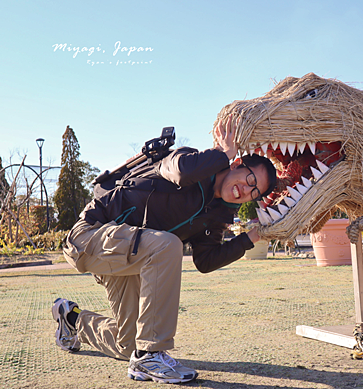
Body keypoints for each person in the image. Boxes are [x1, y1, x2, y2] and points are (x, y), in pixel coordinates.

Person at [51, 116, 277, 384]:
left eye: (255, 192)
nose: (246, 190)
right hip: (90, 235)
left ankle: (71, 318)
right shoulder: (189, 160)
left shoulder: (216, 215)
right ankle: (150, 355)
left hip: (130, 254)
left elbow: (205, 260)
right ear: (237, 164)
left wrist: (250, 238)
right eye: (249, 178)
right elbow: (179, 171)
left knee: (126, 345)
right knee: (168, 245)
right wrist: (222, 154)